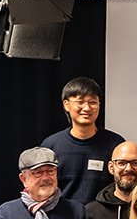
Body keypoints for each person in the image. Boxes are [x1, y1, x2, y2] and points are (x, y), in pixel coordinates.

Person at [41, 76, 126, 205]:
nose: (86, 108)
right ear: (66, 105)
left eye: (93, 102)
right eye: (80, 102)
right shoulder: (51, 145)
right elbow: (41, 188)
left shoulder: (115, 144)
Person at [86, 141, 137, 219]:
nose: (128, 168)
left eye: (135, 163)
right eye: (121, 163)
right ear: (111, 167)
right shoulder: (91, 212)